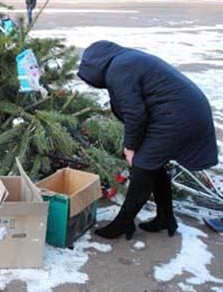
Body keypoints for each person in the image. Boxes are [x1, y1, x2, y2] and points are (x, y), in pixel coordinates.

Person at [77, 41, 218, 240]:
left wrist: (130, 147)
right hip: (185, 112)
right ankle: (165, 218)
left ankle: (123, 224)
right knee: (155, 165)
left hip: (176, 118)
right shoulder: (125, 60)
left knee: (142, 168)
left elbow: (135, 114)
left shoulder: (120, 68)